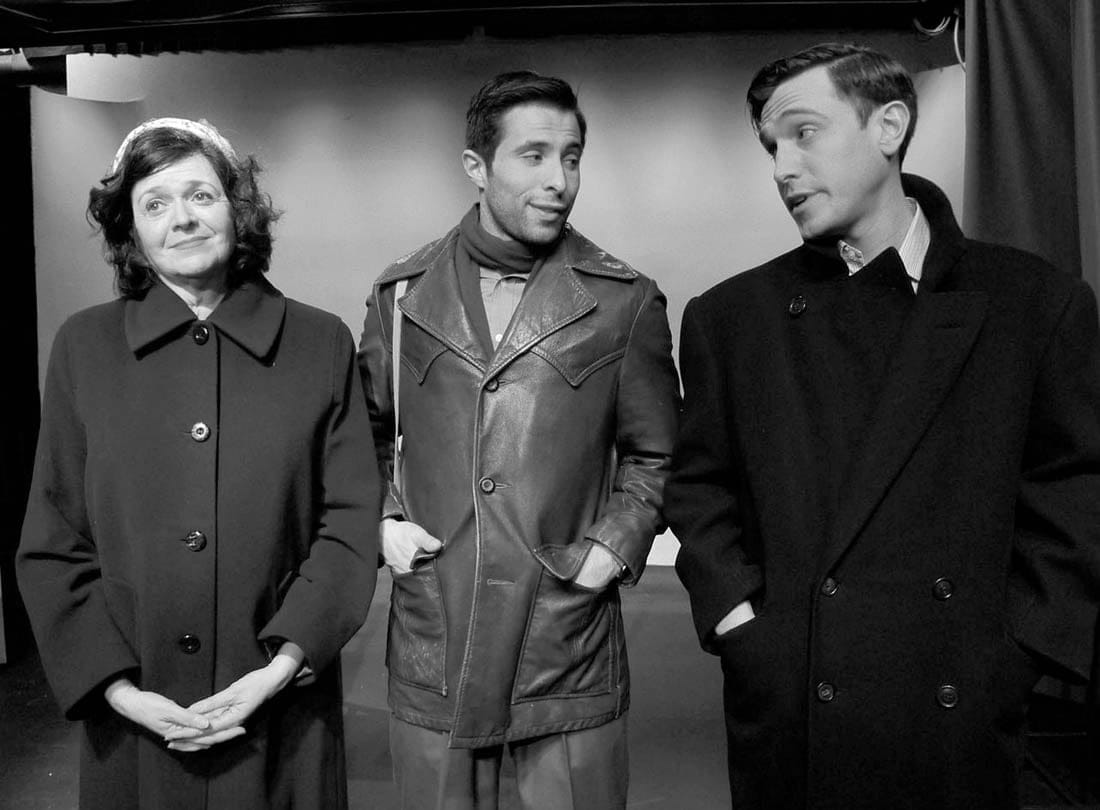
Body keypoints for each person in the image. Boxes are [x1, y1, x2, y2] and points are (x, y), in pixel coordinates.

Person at [665, 42, 1100, 810]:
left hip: (954, 707)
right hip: (796, 706)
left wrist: (1014, 653)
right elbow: (699, 489)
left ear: (889, 126)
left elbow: (1074, 492)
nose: (781, 167)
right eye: (771, 146)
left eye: (804, 132)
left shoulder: (1033, 304)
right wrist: (744, 631)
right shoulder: (730, 320)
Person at [17, 117, 380, 810]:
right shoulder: (84, 349)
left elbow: (349, 524)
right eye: (154, 204)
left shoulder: (318, 343)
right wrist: (118, 691)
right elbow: (55, 540)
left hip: (281, 710)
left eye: (200, 197)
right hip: (134, 715)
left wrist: (280, 668)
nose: (181, 219)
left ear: (237, 211)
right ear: (131, 229)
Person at [357, 71, 680, 810]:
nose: (559, 179)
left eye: (571, 157)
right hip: (439, 623)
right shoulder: (401, 296)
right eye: (533, 156)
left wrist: (611, 549)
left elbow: (655, 451)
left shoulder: (623, 300)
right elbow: (364, 434)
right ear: (477, 167)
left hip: (561, 630)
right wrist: (384, 521)